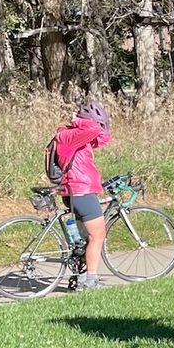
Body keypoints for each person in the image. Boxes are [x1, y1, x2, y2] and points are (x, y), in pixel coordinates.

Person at [53, 100, 113, 289]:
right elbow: (94, 130)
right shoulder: (68, 135)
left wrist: (100, 123)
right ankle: (90, 280)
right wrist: (79, 120)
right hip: (81, 191)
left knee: (85, 239)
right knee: (97, 235)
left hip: (78, 190)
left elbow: (103, 138)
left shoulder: (76, 137)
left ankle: (82, 278)